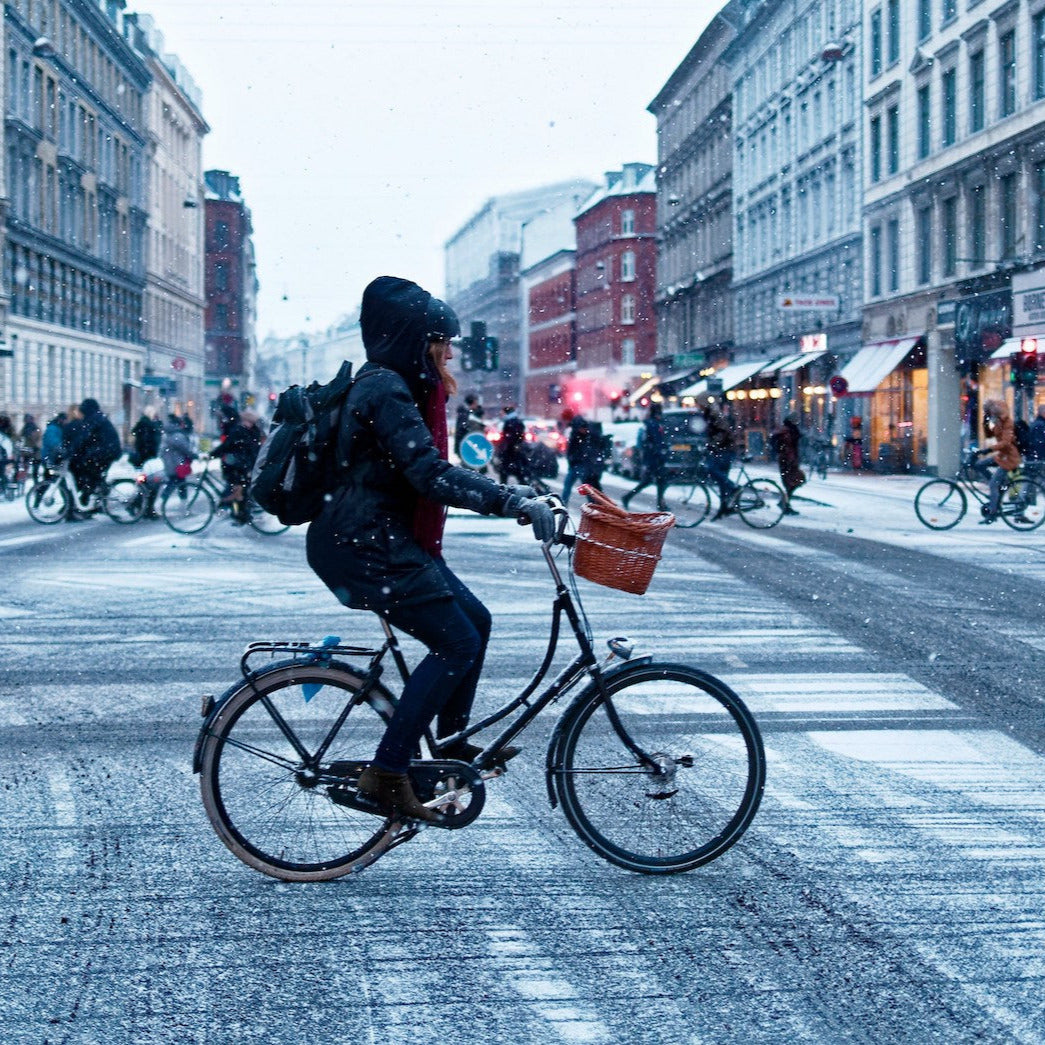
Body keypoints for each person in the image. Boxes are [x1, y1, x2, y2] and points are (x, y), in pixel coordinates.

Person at [306, 276, 553, 823]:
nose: (446, 353)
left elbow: (424, 470)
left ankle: (449, 746)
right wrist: (509, 500)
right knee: (456, 644)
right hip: (365, 544)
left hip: (377, 538)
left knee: (476, 622)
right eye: (438, 341)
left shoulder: (394, 384)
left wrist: (514, 496)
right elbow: (428, 473)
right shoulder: (385, 389)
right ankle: (389, 773)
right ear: (411, 339)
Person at [63, 398, 121, 515]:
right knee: (91, 473)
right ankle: (95, 494)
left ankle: (97, 494)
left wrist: (72, 451)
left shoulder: (93, 419)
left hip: (105, 452)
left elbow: (84, 438)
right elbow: (87, 439)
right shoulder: (97, 417)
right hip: (109, 451)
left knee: (88, 471)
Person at [975, 398, 1021, 523]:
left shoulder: (1007, 423)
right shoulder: (998, 422)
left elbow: (1005, 442)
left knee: (993, 485)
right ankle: (996, 486)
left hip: (1009, 458)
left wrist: (988, 450)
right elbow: (989, 435)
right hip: (1002, 456)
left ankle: (992, 513)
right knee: (979, 464)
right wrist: (985, 422)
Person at [214, 409, 262, 524]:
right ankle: (239, 514)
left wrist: (213, 454)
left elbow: (227, 445)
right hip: (246, 465)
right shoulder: (253, 431)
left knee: (238, 491)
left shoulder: (240, 431)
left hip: (240, 466)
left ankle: (240, 515)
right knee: (239, 491)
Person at [622, 403, 668, 511]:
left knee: (651, 481)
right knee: (660, 480)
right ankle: (660, 505)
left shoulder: (650, 423)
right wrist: (661, 453)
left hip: (651, 457)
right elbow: (657, 441)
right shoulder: (654, 424)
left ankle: (628, 497)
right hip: (654, 458)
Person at [699, 395, 739, 518]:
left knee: (712, 470)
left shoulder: (714, 415)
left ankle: (733, 488)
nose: (698, 407)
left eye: (699, 404)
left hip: (725, 449)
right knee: (721, 480)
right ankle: (724, 508)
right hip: (722, 449)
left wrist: (713, 444)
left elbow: (723, 431)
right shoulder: (709, 415)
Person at [772, 413, 805, 515]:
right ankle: (785, 504)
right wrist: (790, 458)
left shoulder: (787, 430)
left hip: (788, 460)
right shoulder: (788, 431)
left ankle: (785, 503)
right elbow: (787, 446)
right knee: (792, 482)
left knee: (793, 482)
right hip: (788, 461)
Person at [561, 414, 594, 505]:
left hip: (578, 464)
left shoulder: (576, 435)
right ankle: (592, 505)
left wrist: (572, 459)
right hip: (577, 464)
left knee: (571, 486)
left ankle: (564, 504)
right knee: (584, 488)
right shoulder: (579, 436)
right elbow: (572, 450)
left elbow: (572, 450)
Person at [497, 404, 529, 484]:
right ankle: (525, 487)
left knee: (505, 472)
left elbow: (510, 438)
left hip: (510, 451)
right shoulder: (515, 421)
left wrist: (505, 448)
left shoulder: (511, 422)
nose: (501, 415)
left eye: (502, 413)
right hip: (514, 451)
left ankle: (503, 490)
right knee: (518, 473)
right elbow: (520, 436)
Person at [454, 393, 480, 457]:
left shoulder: (465, 413)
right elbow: (462, 429)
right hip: (465, 446)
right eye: (476, 403)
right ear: (473, 402)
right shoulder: (465, 414)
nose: (477, 405)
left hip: (464, 445)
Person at [20, 414, 41, 481]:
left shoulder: (31, 428)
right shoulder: (28, 428)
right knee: (31, 469)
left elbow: (36, 440)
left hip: (33, 451)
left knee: (31, 469)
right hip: (31, 451)